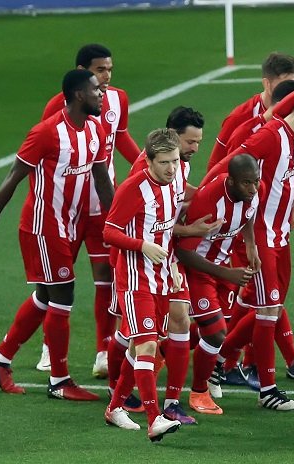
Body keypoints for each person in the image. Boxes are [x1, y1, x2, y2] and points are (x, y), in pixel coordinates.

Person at [0, 69, 114, 401]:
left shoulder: (96, 129)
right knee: (63, 295)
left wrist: (118, 221)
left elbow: (102, 180)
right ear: (79, 95)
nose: (102, 93)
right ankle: (59, 381)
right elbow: (14, 175)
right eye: (96, 90)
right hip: (43, 227)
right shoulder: (47, 132)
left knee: (46, 296)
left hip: (70, 224)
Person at [203, 81, 294, 411]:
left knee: (268, 307)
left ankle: (218, 362)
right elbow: (229, 163)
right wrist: (200, 193)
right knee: (267, 311)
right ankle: (268, 390)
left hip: (280, 236)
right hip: (260, 236)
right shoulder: (271, 135)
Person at [37, 44, 141, 379]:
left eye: (109, 69)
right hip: (64, 209)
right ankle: (49, 346)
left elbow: (121, 138)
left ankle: (103, 350)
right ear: (82, 72)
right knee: (54, 281)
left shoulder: (118, 99)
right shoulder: (58, 105)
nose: (107, 76)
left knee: (106, 277)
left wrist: (146, 167)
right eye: (100, 70)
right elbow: (43, 155)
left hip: (100, 205)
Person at [120, 106, 219, 425]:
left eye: (198, 142)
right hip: (139, 260)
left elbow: (177, 200)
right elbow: (144, 225)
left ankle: (170, 402)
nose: (195, 148)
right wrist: (190, 231)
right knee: (135, 335)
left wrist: (208, 195)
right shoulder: (145, 175)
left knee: (177, 320)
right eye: (191, 142)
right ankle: (123, 397)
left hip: (166, 257)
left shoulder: (178, 164)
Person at [102, 128, 182, 441]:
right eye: (164, 162)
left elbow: (168, 232)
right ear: (148, 160)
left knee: (139, 348)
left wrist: (172, 265)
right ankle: (154, 419)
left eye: (175, 161)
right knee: (147, 346)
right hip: (136, 280)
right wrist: (141, 246)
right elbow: (109, 232)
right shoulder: (133, 188)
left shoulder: (173, 184)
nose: (171, 168)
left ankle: (114, 408)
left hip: (161, 279)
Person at [176, 154, 262, 416]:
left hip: (223, 268)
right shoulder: (209, 201)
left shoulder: (251, 191)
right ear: (232, 181)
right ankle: (199, 392)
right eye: (247, 183)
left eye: (256, 182)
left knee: (212, 330)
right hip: (199, 269)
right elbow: (183, 251)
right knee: (215, 334)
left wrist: (251, 245)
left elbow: (248, 215)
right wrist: (227, 273)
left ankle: (163, 350)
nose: (253, 188)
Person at [206, 52, 294, 171]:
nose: (293, 91)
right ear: (267, 84)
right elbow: (215, 166)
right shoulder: (239, 118)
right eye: (286, 84)